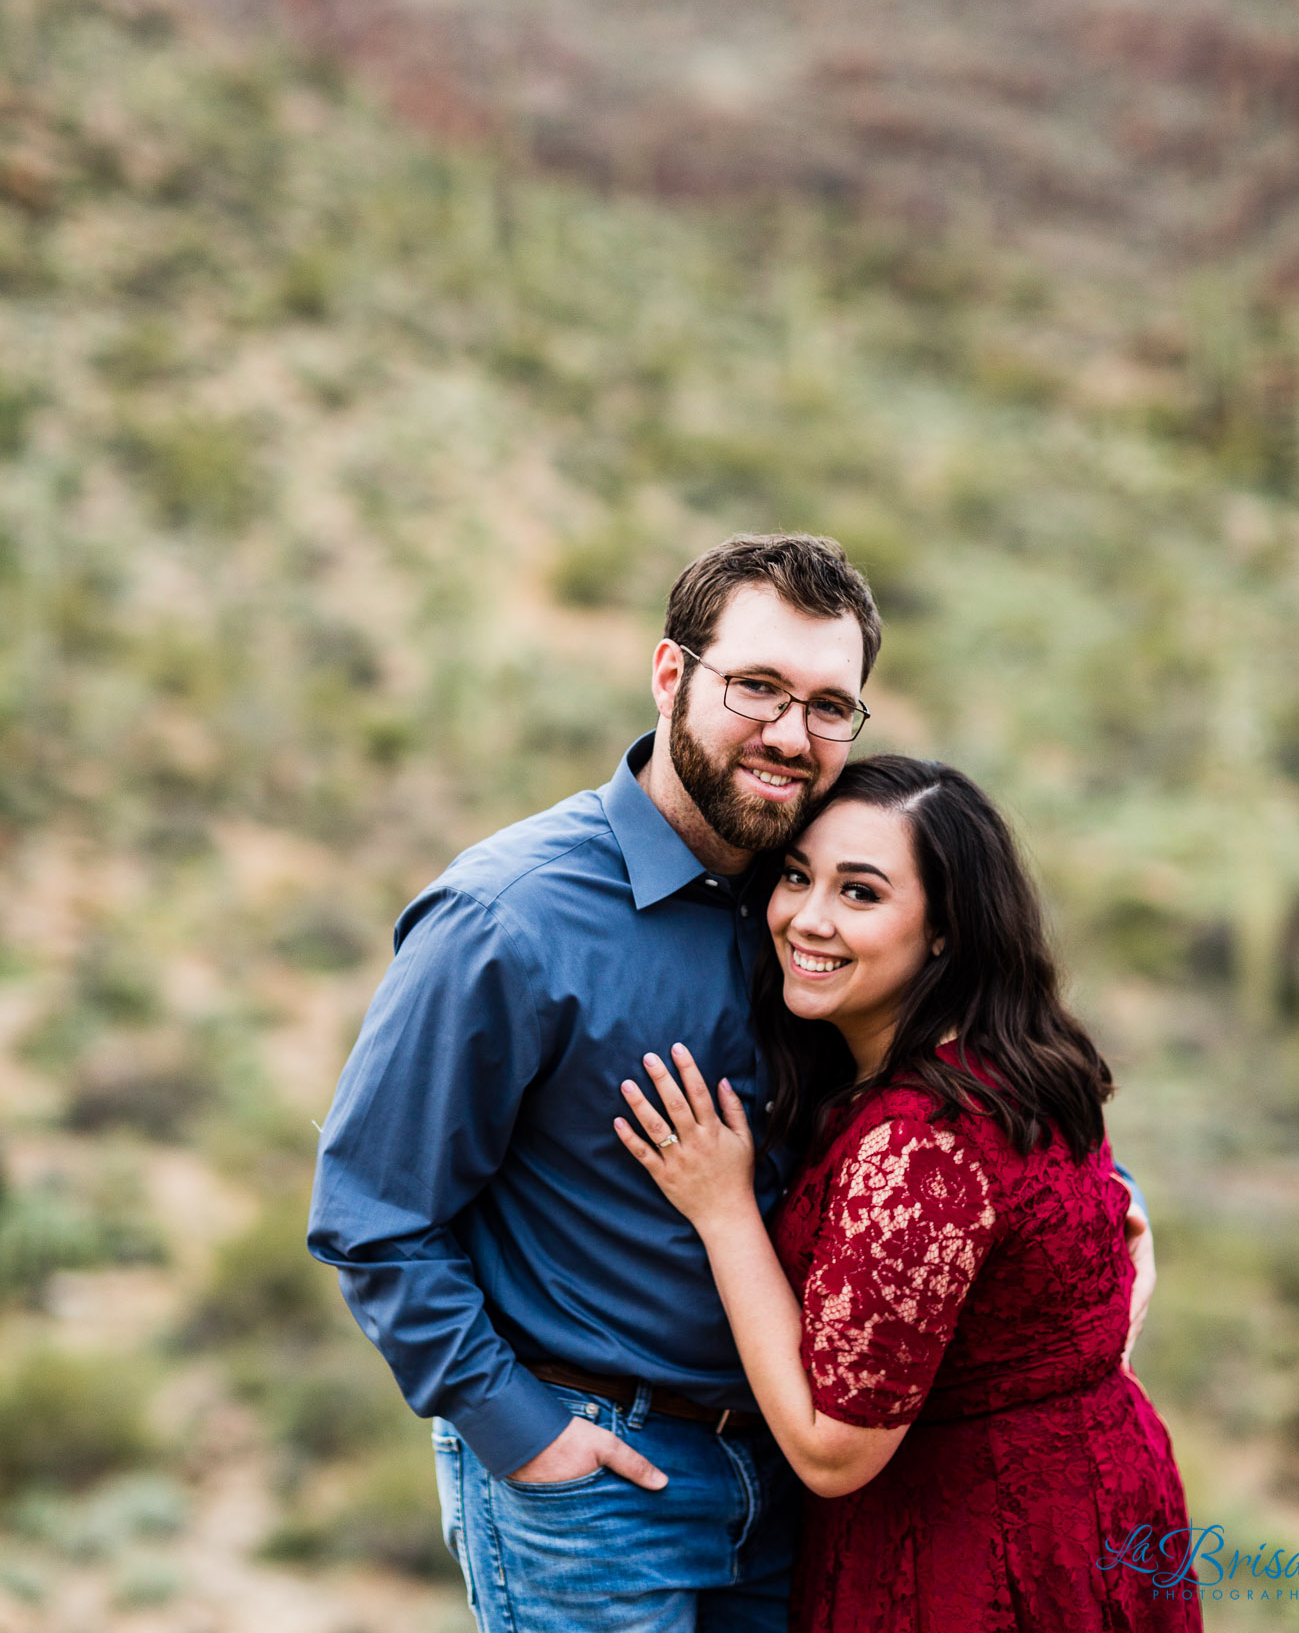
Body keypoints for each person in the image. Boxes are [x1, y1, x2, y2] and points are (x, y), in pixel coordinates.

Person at [308, 535, 1154, 1632]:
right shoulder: (505, 921)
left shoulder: (824, 897)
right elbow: (373, 1215)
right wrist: (524, 1431)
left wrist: (1087, 1221)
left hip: (804, 1478)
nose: (791, 734)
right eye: (757, 686)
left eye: (828, 703)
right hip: (602, 1485)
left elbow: (949, 1077)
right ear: (671, 676)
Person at [617, 754, 1196, 1632]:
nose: (806, 919)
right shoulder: (1017, 1055)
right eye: (798, 877)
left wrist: (721, 1207)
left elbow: (830, 1452)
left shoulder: (923, 1145)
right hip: (1097, 1498)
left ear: (944, 931)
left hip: (974, 1550)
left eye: (860, 894)